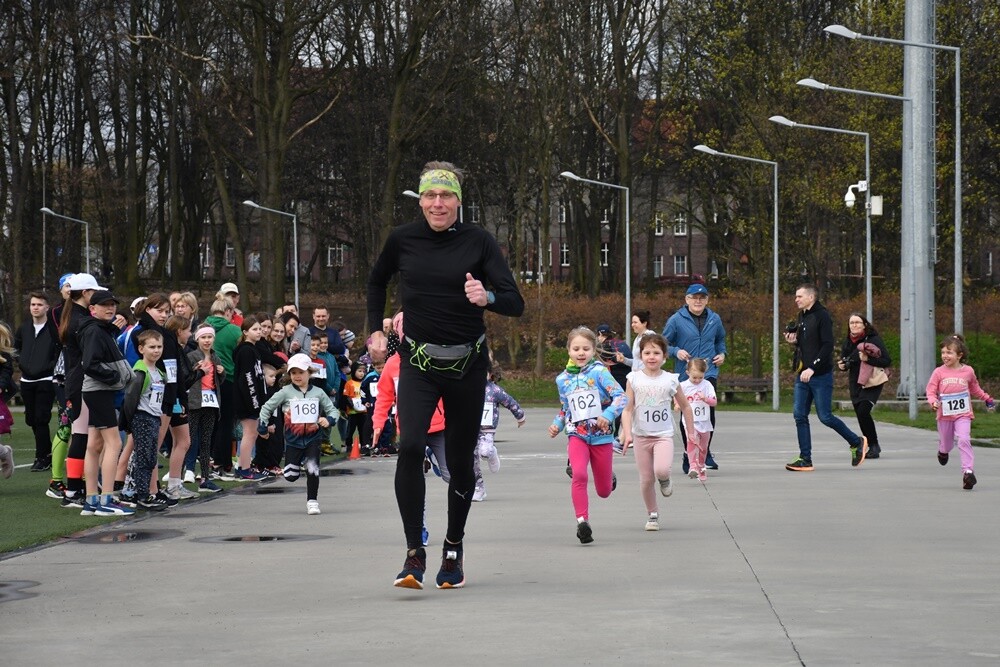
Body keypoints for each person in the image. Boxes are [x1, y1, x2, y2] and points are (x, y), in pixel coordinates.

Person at [367, 160, 524, 590]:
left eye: (445, 195)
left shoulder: (479, 242)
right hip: (418, 363)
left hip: (467, 366)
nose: (437, 203)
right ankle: (413, 553)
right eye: (430, 196)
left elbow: (515, 301)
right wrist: (373, 329)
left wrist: (486, 295)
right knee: (411, 445)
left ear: (458, 199)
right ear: (421, 200)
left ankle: (452, 549)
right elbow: (376, 281)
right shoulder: (402, 240)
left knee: (459, 460)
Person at [548, 326, 627, 544]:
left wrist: (608, 415)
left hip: (601, 436)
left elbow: (621, 397)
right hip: (577, 434)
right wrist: (557, 424)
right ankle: (582, 522)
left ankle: (608, 477)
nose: (581, 353)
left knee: (603, 491)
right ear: (568, 351)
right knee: (579, 474)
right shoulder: (562, 379)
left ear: (593, 350)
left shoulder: (600, 372)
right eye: (576, 349)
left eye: (585, 348)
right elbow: (565, 407)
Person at [783, 284, 868, 472]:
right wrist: (794, 341)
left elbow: (827, 345)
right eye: (796, 296)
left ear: (811, 297)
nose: (796, 299)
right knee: (799, 415)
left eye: (799, 296)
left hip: (820, 375)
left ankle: (856, 442)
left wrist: (813, 368)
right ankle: (805, 458)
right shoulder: (802, 316)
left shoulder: (822, 316)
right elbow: (808, 344)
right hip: (802, 375)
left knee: (825, 416)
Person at [620, 333, 694, 531]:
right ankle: (652, 514)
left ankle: (665, 479)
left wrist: (691, 433)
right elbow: (627, 409)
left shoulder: (671, 380)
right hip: (641, 436)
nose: (651, 357)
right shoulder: (633, 378)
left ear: (664, 356)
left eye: (656, 353)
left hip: (663, 435)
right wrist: (627, 434)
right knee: (645, 480)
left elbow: (686, 407)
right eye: (647, 353)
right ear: (640, 355)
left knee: (660, 470)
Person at [78, 289, 135, 516]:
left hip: (97, 391)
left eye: (112, 304)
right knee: (114, 444)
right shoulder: (94, 330)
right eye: (104, 305)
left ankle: (92, 500)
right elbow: (91, 363)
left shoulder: (99, 329)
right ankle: (106, 500)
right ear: (92, 309)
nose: (110, 308)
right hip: (99, 391)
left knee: (95, 446)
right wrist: (114, 378)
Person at [258, 353, 339, 514]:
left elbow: (333, 410)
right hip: (292, 440)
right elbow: (267, 407)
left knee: (313, 469)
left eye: (301, 372)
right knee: (290, 476)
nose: (297, 376)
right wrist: (263, 425)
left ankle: (312, 501)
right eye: (293, 373)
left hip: (313, 439)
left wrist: (328, 419)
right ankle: (296, 465)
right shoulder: (285, 392)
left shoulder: (318, 392)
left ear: (309, 372)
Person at [663, 283, 727, 473]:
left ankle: (704, 452)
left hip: (708, 372)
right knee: (687, 415)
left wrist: (722, 354)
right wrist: (676, 351)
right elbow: (664, 344)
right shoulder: (676, 319)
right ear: (687, 299)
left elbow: (720, 340)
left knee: (708, 413)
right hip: (686, 374)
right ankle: (688, 453)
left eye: (702, 298)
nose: (698, 301)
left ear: (707, 300)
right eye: (694, 298)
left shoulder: (714, 319)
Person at [926, 334, 995, 490]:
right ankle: (942, 451)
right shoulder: (938, 372)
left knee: (964, 439)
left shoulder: (968, 371)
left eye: (949, 352)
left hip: (963, 414)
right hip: (944, 415)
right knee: (947, 444)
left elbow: (974, 388)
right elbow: (930, 391)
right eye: (943, 352)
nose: (945, 356)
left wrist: (986, 398)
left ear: (959, 355)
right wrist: (933, 401)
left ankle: (968, 472)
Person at [120, 329, 170, 511]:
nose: (156, 350)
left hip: (154, 418)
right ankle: (141, 495)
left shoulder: (158, 372)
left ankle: (144, 492)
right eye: (152, 347)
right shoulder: (140, 371)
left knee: (150, 458)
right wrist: (127, 422)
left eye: (159, 347)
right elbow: (130, 399)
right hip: (142, 417)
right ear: (141, 349)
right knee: (143, 458)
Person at [14, 291, 60, 472]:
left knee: (41, 419)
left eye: (39, 304)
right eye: (33, 304)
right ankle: (46, 453)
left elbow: (58, 352)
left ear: (47, 307)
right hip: (26, 380)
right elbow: (16, 349)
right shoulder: (24, 328)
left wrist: (48, 366)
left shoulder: (53, 329)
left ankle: (42, 457)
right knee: (31, 419)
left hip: (46, 380)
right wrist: (23, 364)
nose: (35, 307)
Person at [837, 313, 891, 459]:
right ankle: (871, 444)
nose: (854, 325)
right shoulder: (848, 341)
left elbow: (886, 360)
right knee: (861, 415)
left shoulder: (873, 339)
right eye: (851, 323)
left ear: (864, 325)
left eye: (857, 322)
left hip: (872, 381)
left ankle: (874, 445)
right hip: (856, 382)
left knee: (863, 412)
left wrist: (868, 359)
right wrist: (842, 365)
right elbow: (845, 360)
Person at [473, 361, 524, 501]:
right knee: (472, 461)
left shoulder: (494, 390)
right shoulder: (468, 389)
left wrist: (520, 416)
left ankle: (491, 452)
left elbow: (510, 402)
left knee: (484, 452)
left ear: (490, 375)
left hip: (487, 429)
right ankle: (479, 489)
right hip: (470, 429)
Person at [205, 297, 242, 478]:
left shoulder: (203, 328)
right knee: (226, 423)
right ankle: (224, 463)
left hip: (206, 380)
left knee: (210, 423)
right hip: (228, 379)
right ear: (228, 312)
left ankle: (210, 460)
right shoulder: (234, 330)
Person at [185, 326, 224, 492]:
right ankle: (188, 470)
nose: (207, 340)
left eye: (210, 337)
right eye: (203, 337)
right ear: (197, 339)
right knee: (191, 437)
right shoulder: (192, 356)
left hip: (211, 401)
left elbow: (219, 382)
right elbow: (187, 378)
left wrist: (222, 373)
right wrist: (195, 370)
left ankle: (206, 477)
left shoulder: (216, 357)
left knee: (207, 439)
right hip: (195, 401)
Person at [232, 316, 268, 480]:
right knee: (250, 432)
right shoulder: (245, 350)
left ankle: (244, 465)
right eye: (255, 329)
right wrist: (253, 401)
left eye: (260, 329)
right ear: (245, 332)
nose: (259, 332)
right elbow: (247, 378)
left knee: (251, 433)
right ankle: (244, 468)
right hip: (246, 399)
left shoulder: (253, 349)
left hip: (253, 398)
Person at [679, 358, 718, 482]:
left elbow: (714, 402)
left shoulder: (707, 385)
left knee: (703, 447)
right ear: (687, 373)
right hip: (690, 421)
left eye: (700, 377)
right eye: (694, 377)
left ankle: (701, 466)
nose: (697, 380)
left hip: (704, 422)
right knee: (692, 441)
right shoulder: (683, 386)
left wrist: (705, 399)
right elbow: (677, 399)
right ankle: (693, 466)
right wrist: (677, 405)